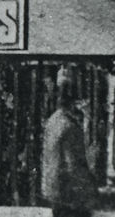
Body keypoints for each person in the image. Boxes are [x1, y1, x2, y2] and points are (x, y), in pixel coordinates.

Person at [41, 68, 98, 217]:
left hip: (55, 192)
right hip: (70, 195)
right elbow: (73, 164)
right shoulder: (69, 126)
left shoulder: (53, 121)